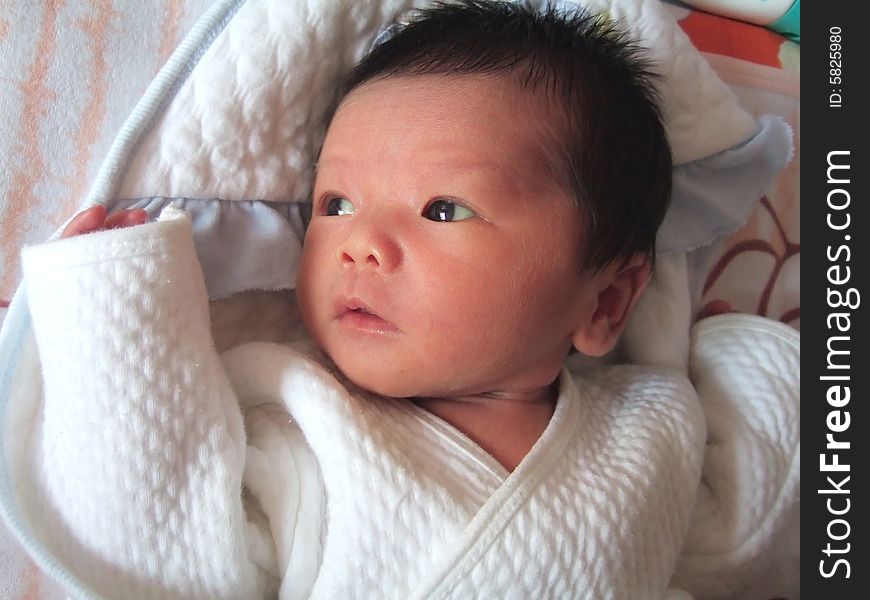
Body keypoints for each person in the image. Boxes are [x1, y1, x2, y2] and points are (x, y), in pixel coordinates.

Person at [19, 2, 775, 598]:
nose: (358, 244)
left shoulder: (659, 424)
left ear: (607, 303)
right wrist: (116, 316)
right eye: (336, 202)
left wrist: (750, 358)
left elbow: (763, 512)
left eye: (443, 209)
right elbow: (158, 546)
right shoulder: (302, 422)